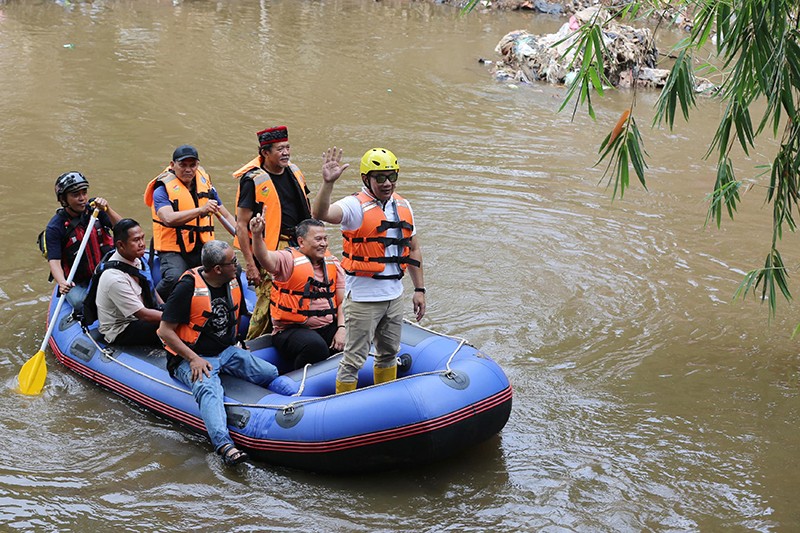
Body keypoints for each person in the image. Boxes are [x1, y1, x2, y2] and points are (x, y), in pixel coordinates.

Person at [312, 147, 426, 394]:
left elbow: (413, 249)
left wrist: (419, 289)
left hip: (393, 297)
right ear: (366, 179)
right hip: (364, 300)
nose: (387, 183)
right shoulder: (354, 206)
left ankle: (383, 400)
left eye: (392, 176)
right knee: (353, 360)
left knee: (389, 354)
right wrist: (327, 184)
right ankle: (345, 407)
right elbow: (321, 213)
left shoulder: (403, 205)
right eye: (380, 178)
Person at [157, 240, 279, 466]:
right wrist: (193, 358)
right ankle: (224, 446)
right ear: (217, 269)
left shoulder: (232, 279)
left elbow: (237, 315)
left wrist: (239, 342)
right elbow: (164, 331)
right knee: (208, 390)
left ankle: (294, 397)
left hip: (226, 351)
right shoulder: (187, 288)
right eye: (232, 262)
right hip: (192, 357)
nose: (237, 265)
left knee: (268, 372)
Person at [232, 126, 312, 340]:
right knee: (270, 298)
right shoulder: (252, 180)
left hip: (300, 244)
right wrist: (250, 265)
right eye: (280, 149)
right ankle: (252, 343)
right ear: (265, 153)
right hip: (269, 250)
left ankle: (294, 335)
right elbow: (241, 225)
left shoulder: (294, 171)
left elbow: (307, 209)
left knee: (302, 294)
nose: (286, 153)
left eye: (287, 147)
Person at [250, 216, 345, 370]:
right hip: (290, 330)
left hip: (327, 326)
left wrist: (342, 329)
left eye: (325, 239)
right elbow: (265, 257)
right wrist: (256, 235)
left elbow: (342, 302)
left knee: (358, 334)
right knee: (315, 346)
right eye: (318, 239)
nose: (324, 244)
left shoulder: (332, 262)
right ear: (301, 242)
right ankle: (295, 381)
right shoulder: (287, 260)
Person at [144, 144, 235, 301]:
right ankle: (151, 304)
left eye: (192, 165)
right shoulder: (162, 188)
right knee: (174, 277)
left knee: (230, 269)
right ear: (172, 165)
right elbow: (168, 218)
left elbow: (224, 213)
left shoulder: (204, 183)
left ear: (197, 165)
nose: (188, 170)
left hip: (200, 245)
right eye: (183, 165)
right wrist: (200, 210)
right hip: (173, 249)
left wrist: (244, 236)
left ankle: (223, 305)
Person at [43, 171, 122, 311]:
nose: (82, 198)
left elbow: (124, 229)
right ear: (63, 199)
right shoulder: (55, 227)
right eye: (75, 195)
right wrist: (62, 282)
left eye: (84, 193)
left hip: (105, 270)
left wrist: (108, 209)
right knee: (80, 302)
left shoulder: (96, 210)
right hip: (78, 280)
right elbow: (54, 261)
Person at [93, 219, 162, 346]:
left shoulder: (136, 260)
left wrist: (165, 307)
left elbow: (150, 286)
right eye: (136, 240)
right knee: (170, 328)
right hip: (122, 329)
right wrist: (174, 318)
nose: (142, 244)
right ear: (120, 245)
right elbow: (143, 315)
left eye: (142, 238)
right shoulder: (114, 278)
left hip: (138, 315)